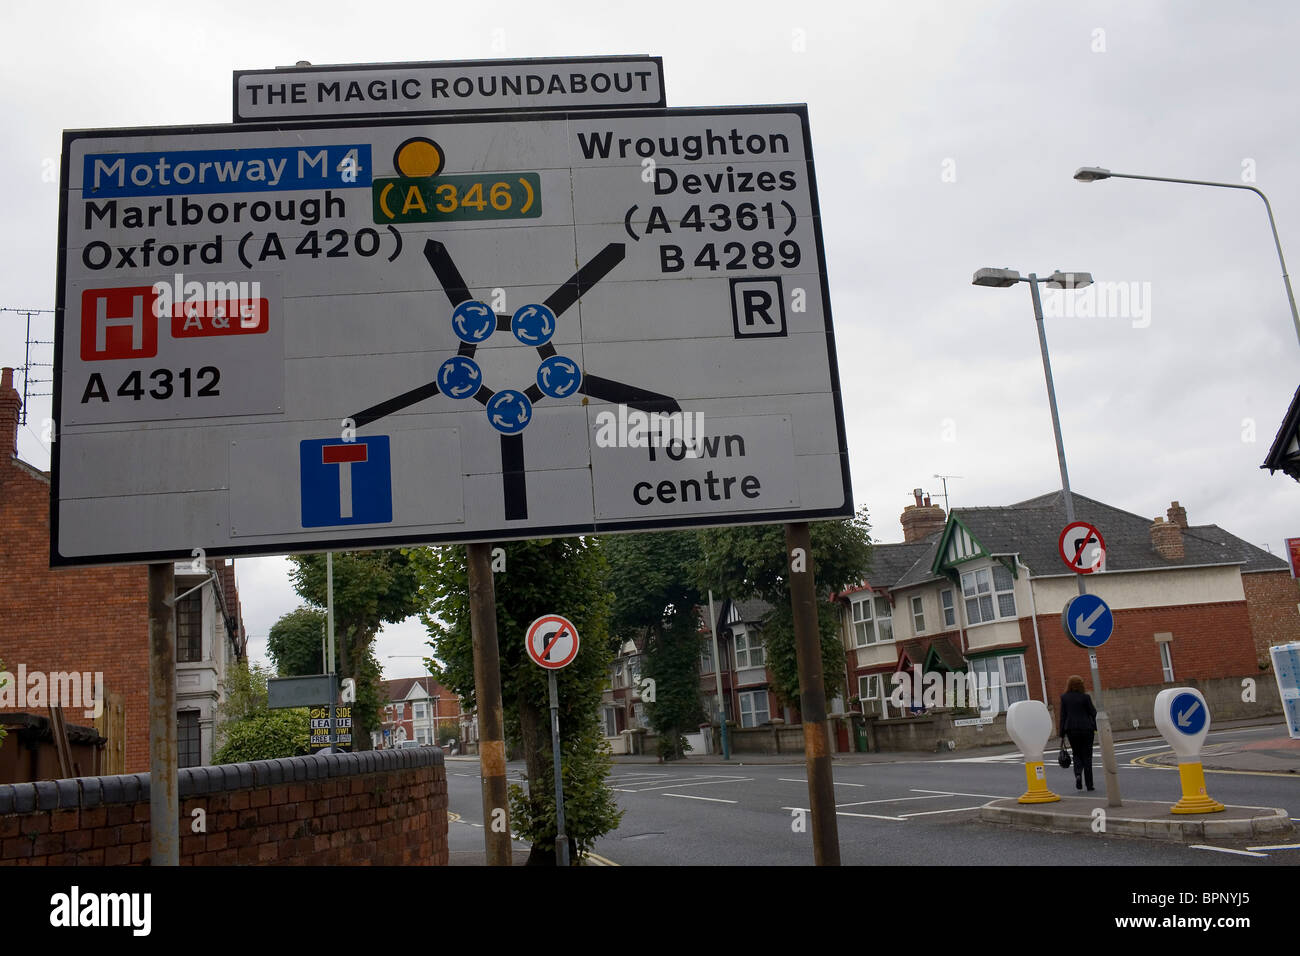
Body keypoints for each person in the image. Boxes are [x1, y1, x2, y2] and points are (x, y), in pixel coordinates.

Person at [1058, 675, 1097, 791]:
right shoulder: (1085, 697)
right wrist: (1094, 726)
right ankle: (1089, 784)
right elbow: (1093, 713)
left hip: (1072, 730)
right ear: (1081, 685)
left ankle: (1078, 774)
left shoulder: (1064, 698)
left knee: (1076, 754)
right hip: (1086, 730)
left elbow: (1063, 716)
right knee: (1087, 756)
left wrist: (1062, 734)